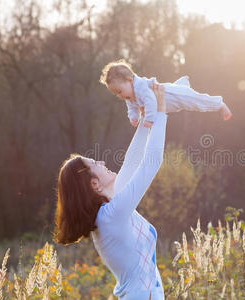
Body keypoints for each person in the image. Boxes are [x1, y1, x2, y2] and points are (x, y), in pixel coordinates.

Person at [54, 82, 167, 299]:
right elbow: (151, 163)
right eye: (95, 162)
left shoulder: (111, 209)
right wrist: (161, 114)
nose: (102, 161)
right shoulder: (111, 216)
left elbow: (132, 162)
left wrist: (146, 118)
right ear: (94, 184)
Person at [99, 58, 232, 128]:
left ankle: (219, 104)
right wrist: (133, 117)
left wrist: (149, 120)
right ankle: (183, 83)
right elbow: (132, 108)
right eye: (116, 93)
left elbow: (150, 101)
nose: (120, 96)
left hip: (173, 96)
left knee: (197, 102)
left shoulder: (141, 88)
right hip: (170, 103)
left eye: (119, 91)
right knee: (182, 96)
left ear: (129, 80)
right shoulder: (129, 95)